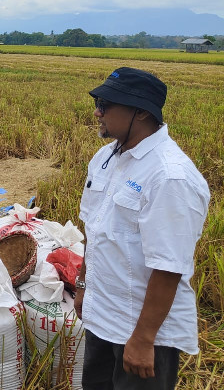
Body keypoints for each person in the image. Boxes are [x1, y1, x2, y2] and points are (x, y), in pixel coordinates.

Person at [76, 67, 209, 390]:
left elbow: (169, 266)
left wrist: (143, 339)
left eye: (106, 105)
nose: (97, 112)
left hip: (141, 332)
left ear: (141, 112)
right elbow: (95, 232)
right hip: (102, 317)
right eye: (98, 102)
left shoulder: (169, 176)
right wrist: (82, 285)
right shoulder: (105, 158)